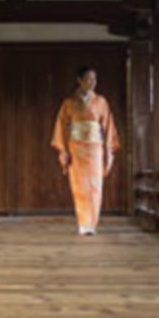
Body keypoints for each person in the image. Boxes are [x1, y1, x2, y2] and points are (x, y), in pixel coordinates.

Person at [51, 65, 120, 236]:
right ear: (79, 80)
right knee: (79, 186)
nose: (92, 82)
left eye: (94, 79)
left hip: (95, 148)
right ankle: (83, 223)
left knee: (96, 186)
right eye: (88, 79)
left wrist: (108, 150)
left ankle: (93, 223)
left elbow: (108, 127)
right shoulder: (69, 103)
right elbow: (61, 126)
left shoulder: (101, 102)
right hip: (76, 147)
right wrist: (64, 150)